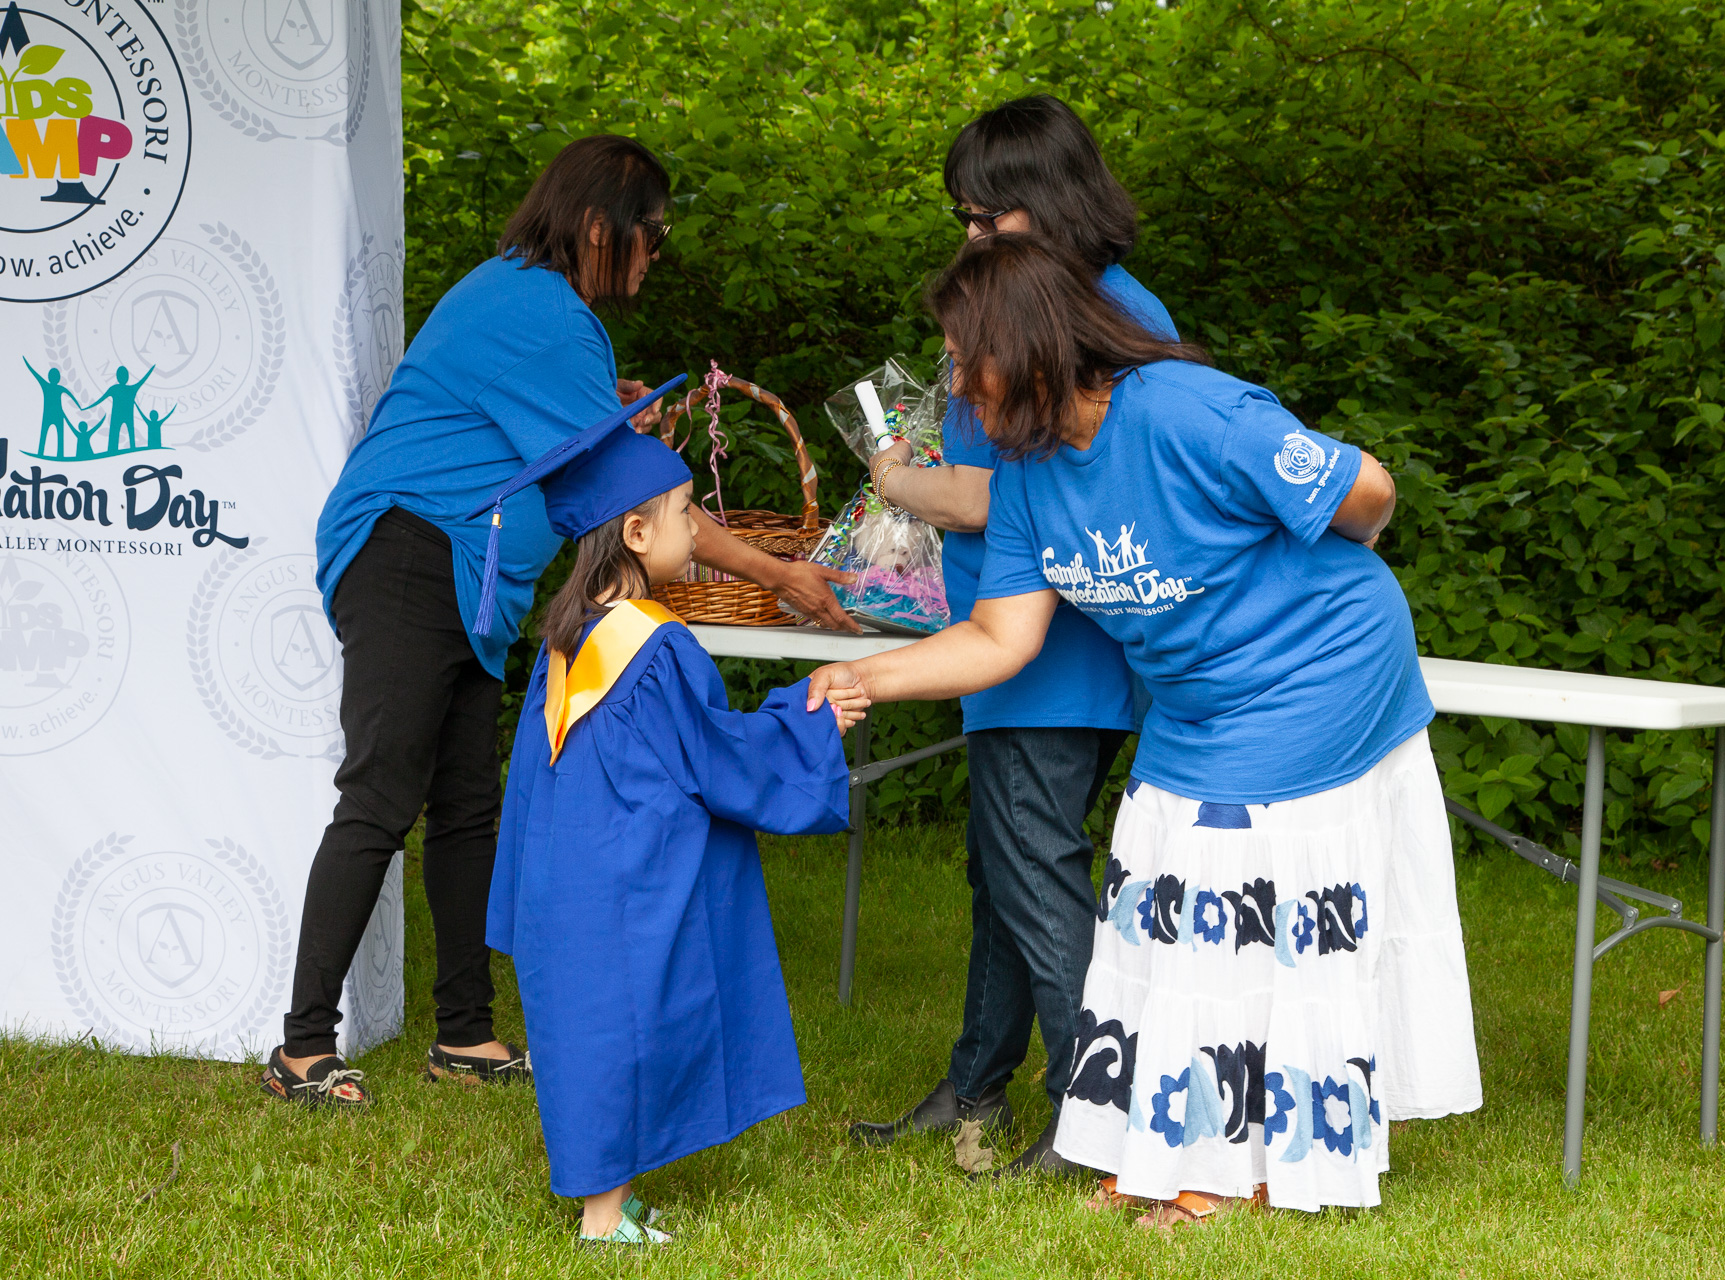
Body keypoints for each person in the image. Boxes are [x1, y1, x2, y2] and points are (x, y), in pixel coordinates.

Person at [811, 234, 1482, 1225]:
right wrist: (863, 676)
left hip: (1321, 671)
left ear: (1025, 348)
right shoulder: (1030, 475)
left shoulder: (1188, 411)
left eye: (962, 359)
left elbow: (1367, 489)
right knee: (1151, 897)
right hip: (1198, 699)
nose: (951, 384)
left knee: (1232, 898)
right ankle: (1160, 1141)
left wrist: (1331, 551)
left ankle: (1232, 1171)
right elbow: (999, 636)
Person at [264, 135, 857, 1109]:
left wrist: (607, 417)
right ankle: (301, 1050)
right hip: (409, 550)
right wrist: (778, 572)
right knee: (380, 795)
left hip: (456, 568)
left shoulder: (531, 301)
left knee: (466, 804)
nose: (656, 252)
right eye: (653, 231)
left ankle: (464, 1031)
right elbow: (633, 495)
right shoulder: (544, 314)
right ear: (598, 226)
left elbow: (561, 444)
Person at [849, 94, 1173, 1177]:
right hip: (1001, 633)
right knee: (1003, 870)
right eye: (965, 218)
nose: (974, 238)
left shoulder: (1106, 313)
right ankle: (975, 1085)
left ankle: (1095, 1110)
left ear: (1057, 199)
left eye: (994, 218)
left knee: (1036, 872)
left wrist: (899, 482)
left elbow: (1026, 493)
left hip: (1053, 648)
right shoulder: (1025, 292)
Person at [482, 402, 860, 1246]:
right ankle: (601, 1222)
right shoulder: (655, 646)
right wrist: (809, 725)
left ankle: (610, 1200)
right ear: (637, 534)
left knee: (597, 1031)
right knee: (623, 1033)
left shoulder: (566, 638)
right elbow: (720, 759)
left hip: (573, 875)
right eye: (687, 512)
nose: (698, 529)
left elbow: (533, 782)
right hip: (628, 876)